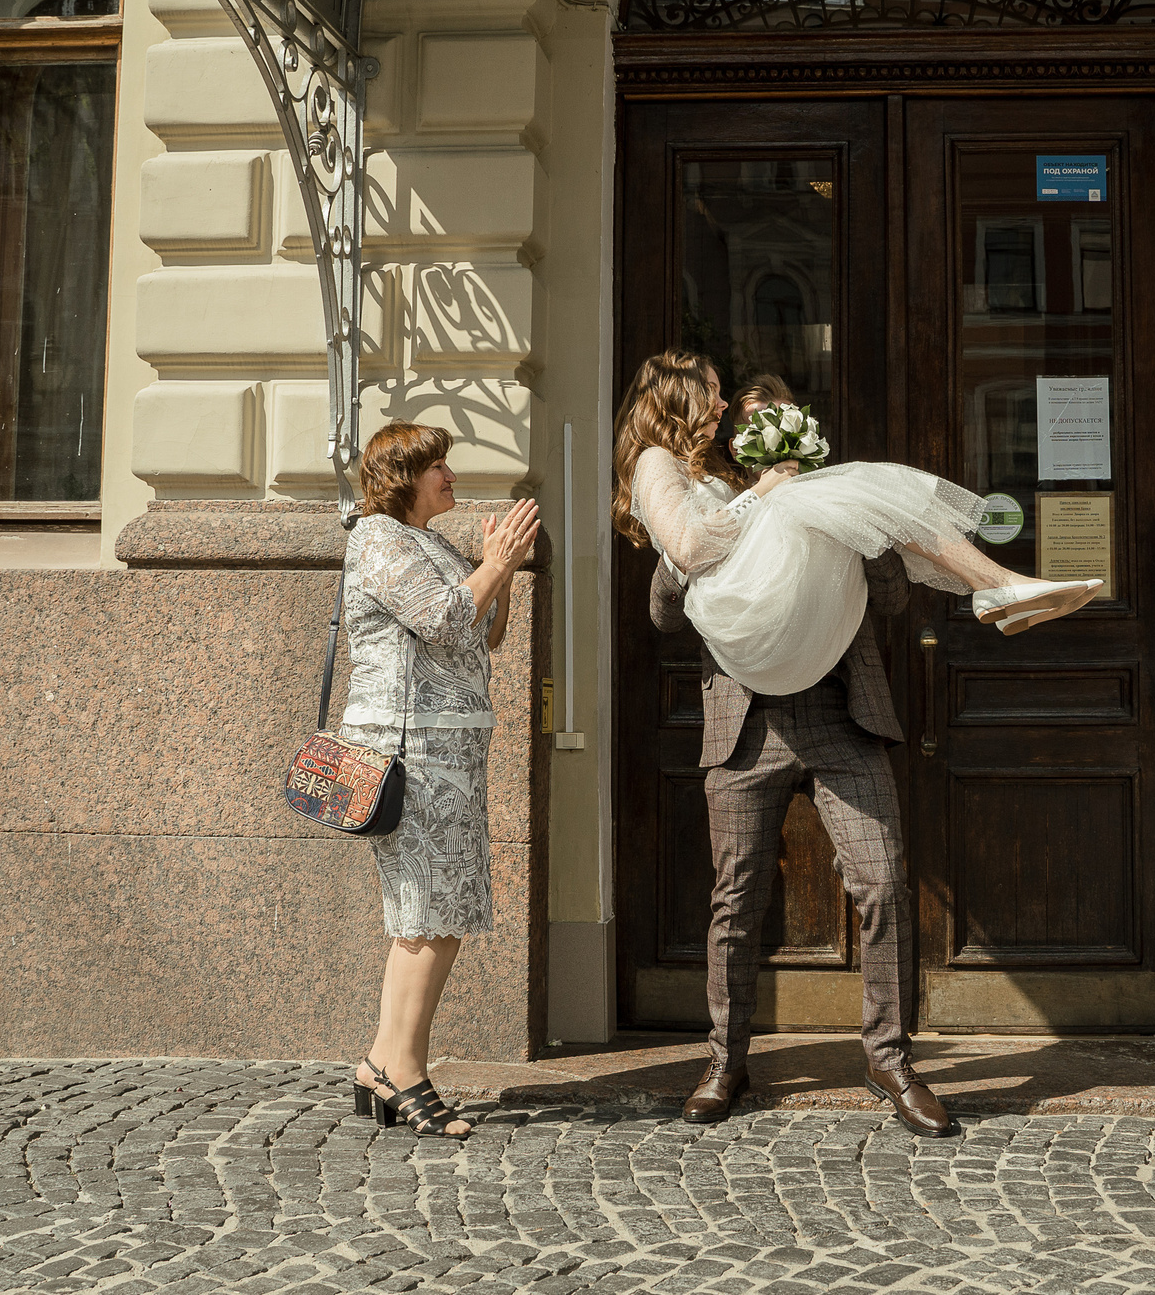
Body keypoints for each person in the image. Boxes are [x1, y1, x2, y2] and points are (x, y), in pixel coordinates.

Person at [650, 384, 951, 1138]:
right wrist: (707, 533)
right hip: (745, 728)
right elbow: (662, 611)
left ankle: (889, 1059)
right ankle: (725, 1063)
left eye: (768, 420)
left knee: (883, 883)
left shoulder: (835, 496)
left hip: (841, 716)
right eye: (743, 424)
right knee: (736, 902)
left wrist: (856, 521)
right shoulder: (711, 506)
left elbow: (892, 599)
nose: (755, 434)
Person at [613, 349, 1100, 699]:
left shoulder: (697, 464)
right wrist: (765, 490)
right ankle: (994, 584)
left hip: (775, 605)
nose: (721, 405)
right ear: (679, 395)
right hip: (735, 604)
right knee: (856, 485)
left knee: (860, 494)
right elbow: (687, 548)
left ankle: (996, 585)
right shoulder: (655, 459)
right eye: (713, 392)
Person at [338, 421, 542, 1139]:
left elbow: (486, 632)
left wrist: (500, 572)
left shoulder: (431, 543)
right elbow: (445, 617)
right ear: (403, 479)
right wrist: (495, 562)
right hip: (409, 754)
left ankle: (380, 1063)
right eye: (438, 467)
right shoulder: (379, 540)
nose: (451, 476)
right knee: (429, 916)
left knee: (429, 915)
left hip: (446, 754)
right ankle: (405, 1069)